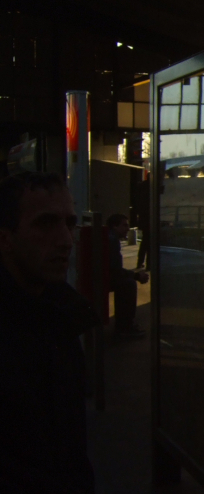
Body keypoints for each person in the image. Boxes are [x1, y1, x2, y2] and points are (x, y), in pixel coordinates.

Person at [0, 172, 98, 493]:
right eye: (45, 224)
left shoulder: (61, 319)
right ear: (6, 239)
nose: (66, 240)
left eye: (69, 223)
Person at [107, 214, 149, 337]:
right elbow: (116, 270)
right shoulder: (112, 240)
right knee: (128, 285)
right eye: (124, 225)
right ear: (115, 226)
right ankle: (125, 327)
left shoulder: (110, 237)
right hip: (103, 278)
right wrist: (136, 276)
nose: (127, 229)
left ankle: (124, 326)